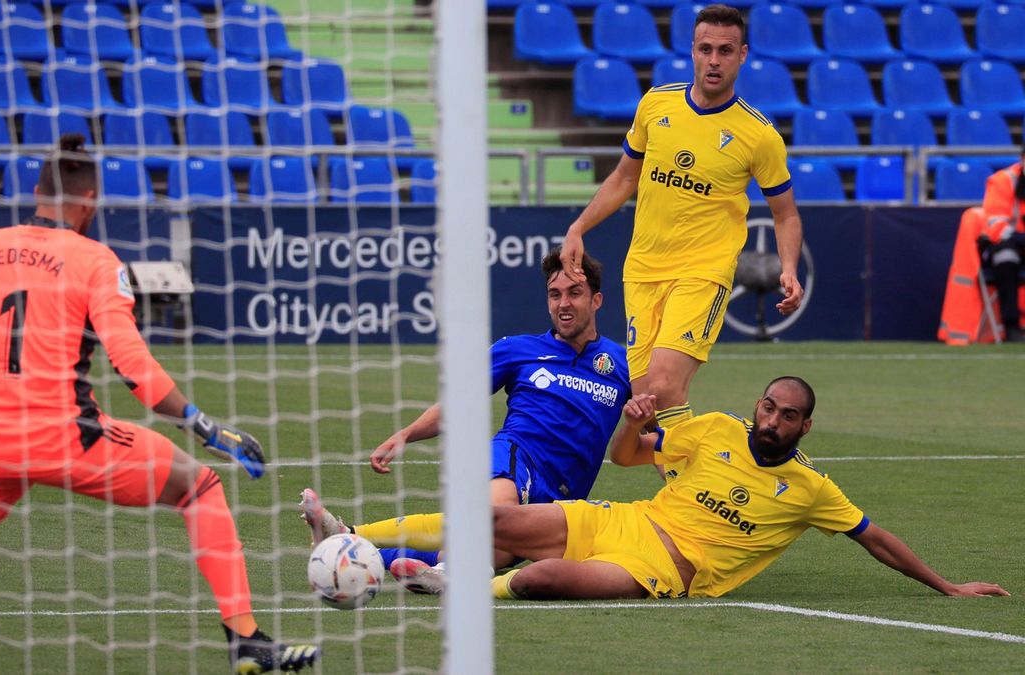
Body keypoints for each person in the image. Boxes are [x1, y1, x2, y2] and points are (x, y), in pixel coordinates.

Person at [0, 135, 318, 675]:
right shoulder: (95, 259)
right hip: (70, 438)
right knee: (200, 486)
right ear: (89, 199)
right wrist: (205, 427)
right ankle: (247, 643)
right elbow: (131, 364)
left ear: (36, 192)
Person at [487, 377, 1009, 602]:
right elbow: (625, 457)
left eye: (788, 415)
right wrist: (630, 425)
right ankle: (431, 564)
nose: (772, 419)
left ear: (804, 427)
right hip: (629, 519)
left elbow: (875, 538)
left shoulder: (811, 489)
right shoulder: (716, 428)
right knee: (497, 521)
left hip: (661, 569)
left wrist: (949, 586)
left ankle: (462, 590)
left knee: (541, 578)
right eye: (767, 406)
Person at [559, 4, 805, 480]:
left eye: (725, 51)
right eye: (706, 49)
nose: (714, 60)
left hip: (703, 270)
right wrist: (578, 227)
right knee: (646, 399)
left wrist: (788, 268)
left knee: (666, 385)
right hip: (644, 269)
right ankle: (694, 492)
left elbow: (785, 212)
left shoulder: (758, 135)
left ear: (742, 56)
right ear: (692, 50)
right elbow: (623, 179)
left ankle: (695, 497)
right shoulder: (657, 104)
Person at [300, 246, 633, 594]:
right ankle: (447, 570)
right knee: (495, 509)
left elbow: (654, 430)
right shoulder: (518, 349)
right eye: (554, 294)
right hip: (516, 456)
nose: (563, 303)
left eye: (574, 293)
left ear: (596, 300)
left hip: (564, 495)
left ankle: (347, 541)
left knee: (494, 548)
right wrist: (407, 434)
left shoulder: (623, 364)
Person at [977, 144, 1025, 342]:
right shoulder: (1003, 180)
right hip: (1006, 243)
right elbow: (996, 225)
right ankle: (1011, 325)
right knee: (1006, 257)